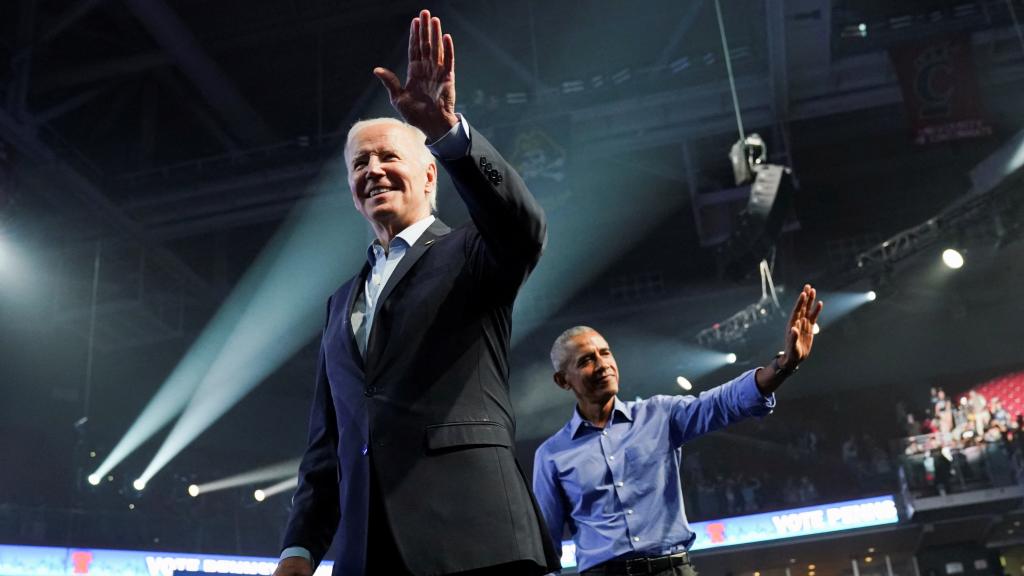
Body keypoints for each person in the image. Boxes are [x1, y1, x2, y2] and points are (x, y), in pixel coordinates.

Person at [272, 10, 560, 576]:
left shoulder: (474, 253)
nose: (373, 170)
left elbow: (524, 226)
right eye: (360, 163)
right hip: (369, 553)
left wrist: (448, 134)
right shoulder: (337, 304)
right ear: (352, 193)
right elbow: (328, 442)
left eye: (388, 157)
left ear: (430, 176)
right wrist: (300, 548)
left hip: (477, 540)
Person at [532, 285, 823, 575]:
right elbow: (544, 550)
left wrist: (783, 367)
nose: (602, 364)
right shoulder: (551, 456)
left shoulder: (660, 414)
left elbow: (723, 403)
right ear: (562, 380)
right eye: (586, 360)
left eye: (605, 353)